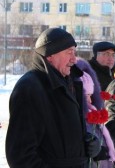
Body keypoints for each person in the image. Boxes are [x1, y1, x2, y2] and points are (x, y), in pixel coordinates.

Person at [6, 28, 100, 167]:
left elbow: (60, 137)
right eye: (69, 52)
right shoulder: (30, 87)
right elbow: (20, 155)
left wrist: (88, 144)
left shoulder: (71, 83)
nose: (74, 59)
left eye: (74, 52)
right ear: (49, 55)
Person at [79, 70, 115, 167]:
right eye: (86, 96)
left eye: (90, 95)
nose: (89, 100)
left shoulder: (93, 111)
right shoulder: (82, 116)